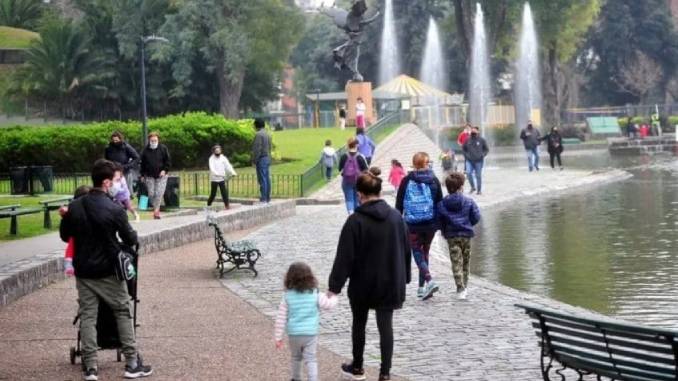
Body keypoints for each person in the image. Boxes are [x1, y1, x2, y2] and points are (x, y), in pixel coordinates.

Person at [59, 159, 152, 381]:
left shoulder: (75, 206)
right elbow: (130, 238)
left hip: (84, 270)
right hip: (109, 269)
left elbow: (65, 236)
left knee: (89, 316)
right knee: (122, 311)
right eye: (115, 181)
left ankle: (90, 367)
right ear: (107, 182)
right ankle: (131, 363)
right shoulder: (114, 209)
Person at [328, 167, 411, 381]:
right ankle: (385, 373)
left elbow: (344, 257)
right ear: (380, 193)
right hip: (390, 280)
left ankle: (357, 366)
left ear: (359, 194)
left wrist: (334, 286)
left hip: (362, 283)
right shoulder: (396, 218)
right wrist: (406, 277)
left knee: (359, 324)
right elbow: (405, 249)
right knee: (386, 328)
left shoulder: (355, 221)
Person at [274, 262, 338, 381]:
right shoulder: (315, 294)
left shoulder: (287, 296)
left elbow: (281, 318)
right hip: (310, 334)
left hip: (294, 334)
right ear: (310, 277)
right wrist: (334, 296)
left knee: (296, 357)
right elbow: (328, 305)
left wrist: (278, 337)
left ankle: (296, 378)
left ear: (289, 278)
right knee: (311, 358)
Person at [396, 152, 443, 300]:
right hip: (429, 224)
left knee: (417, 252)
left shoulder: (406, 180)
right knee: (425, 252)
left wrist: (398, 221)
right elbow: (439, 203)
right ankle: (421, 288)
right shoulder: (434, 180)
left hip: (412, 224)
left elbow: (399, 204)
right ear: (427, 163)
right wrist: (439, 224)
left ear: (414, 164)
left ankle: (429, 280)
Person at [437, 172, 481, 300]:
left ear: (447, 187)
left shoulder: (442, 204)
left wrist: (444, 231)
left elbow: (440, 220)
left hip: (451, 236)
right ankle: (465, 285)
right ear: (461, 186)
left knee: (456, 261)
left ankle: (460, 287)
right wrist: (468, 224)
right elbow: (476, 217)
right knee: (466, 261)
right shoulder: (469, 201)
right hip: (466, 235)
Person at [62, 185, 92, 277]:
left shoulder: (74, 210)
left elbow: (65, 236)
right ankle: (69, 264)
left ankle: (69, 264)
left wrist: (65, 217)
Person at [140, 132, 171, 220]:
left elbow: (168, 161)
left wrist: (165, 170)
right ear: (149, 140)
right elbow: (142, 164)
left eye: (155, 140)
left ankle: (156, 211)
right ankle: (155, 207)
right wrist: (142, 175)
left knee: (159, 193)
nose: (154, 142)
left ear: (158, 140)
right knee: (151, 193)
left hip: (161, 175)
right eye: (152, 140)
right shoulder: (145, 150)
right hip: (149, 176)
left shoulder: (163, 148)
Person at [105, 131, 140, 196]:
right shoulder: (108, 148)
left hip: (125, 172)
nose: (115, 142)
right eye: (113, 140)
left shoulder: (126, 147)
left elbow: (137, 158)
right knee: (113, 191)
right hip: (113, 172)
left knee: (126, 192)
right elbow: (107, 160)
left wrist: (127, 166)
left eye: (116, 140)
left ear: (120, 139)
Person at [339, 138, 369, 214]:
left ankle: (351, 213)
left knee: (349, 199)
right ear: (357, 145)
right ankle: (357, 214)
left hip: (346, 180)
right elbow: (366, 169)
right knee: (357, 198)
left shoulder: (344, 156)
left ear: (348, 145)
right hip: (358, 181)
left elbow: (340, 169)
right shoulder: (360, 156)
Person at [208, 145, 237, 209]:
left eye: (219, 151)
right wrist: (217, 174)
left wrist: (233, 172)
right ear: (213, 151)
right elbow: (212, 168)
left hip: (221, 179)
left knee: (224, 193)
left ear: (221, 151)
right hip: (214, 179)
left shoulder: (223, 158)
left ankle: (227, 206)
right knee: (213, 194)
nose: (218, 152)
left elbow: (228, 166)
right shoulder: (211, 159)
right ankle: (208, 204)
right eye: (216, 151)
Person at [462, 127, 489, 195]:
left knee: (478, 176)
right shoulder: (467, 139)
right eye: (472, 131)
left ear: (478, 132)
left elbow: (486, 149)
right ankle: (473, 187)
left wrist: (483, 155)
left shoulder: (482, 140)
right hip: (469, 160)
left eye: (475, 131)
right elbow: (463, 148)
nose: (473, 132)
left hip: (479, 161)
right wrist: (466, 155)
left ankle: (479, 190)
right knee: (468, 173)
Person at [252, 118, 272, 203]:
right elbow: (270, 148)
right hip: (267, 158)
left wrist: (254, 160)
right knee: (267, 178)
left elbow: (257, 149)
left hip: (261, 159)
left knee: (262, 179)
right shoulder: (267, 134)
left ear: (257, 125)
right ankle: (267, 197)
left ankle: (263, 198)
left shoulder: (259, 134)